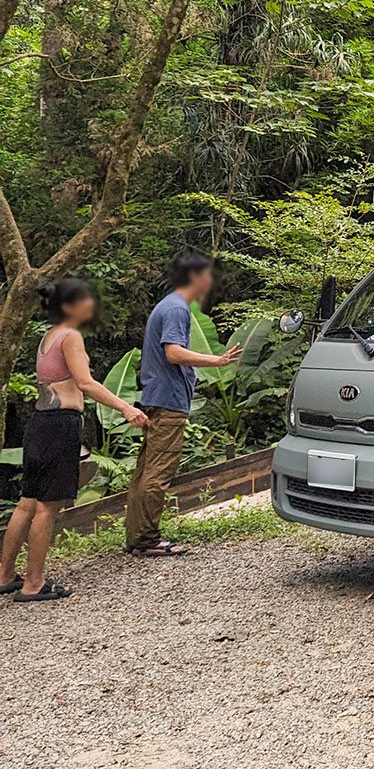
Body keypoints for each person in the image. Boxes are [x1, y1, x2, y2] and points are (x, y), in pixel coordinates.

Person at [0, 277, 148, 603]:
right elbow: (86, 383)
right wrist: (126, 407)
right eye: (85, 299)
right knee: (46, 508)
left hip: (39, 424)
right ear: (68, 306)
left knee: (27, 503)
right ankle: (33, 583)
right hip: (60, 427)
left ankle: (6, 574)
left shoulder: (48, 337)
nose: (90, 305)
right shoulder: (71, 336)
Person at [124, 251, 240, 557]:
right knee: (158, 472)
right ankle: (148, 538)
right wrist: (216, 360)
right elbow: (173, 352)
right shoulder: (176, 309)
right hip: (168, 401)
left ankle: (137, 535)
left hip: (155, 398)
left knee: (145, 470)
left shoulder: (167, 305)